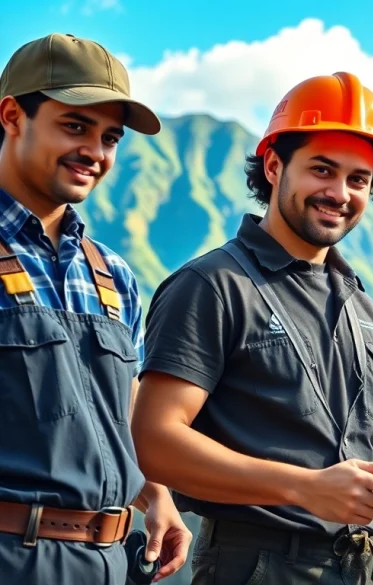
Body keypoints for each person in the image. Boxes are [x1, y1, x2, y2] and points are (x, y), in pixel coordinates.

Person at [131, 72, 373, 585]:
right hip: (255, 564)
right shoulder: (211, 285)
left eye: (358, 179)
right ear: (273, 166)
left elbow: (372, 437)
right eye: (322, 170)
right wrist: (303, 487)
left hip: (363, 562)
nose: (340, 193)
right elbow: (153, 441)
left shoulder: (364, 308)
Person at [0, 33, 190, 584]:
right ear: (13, 115)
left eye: (110, 137)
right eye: (75, 126)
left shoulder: (111, 273)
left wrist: (157, 495)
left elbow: (117, 408)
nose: (96, 153)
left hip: (109, 561)